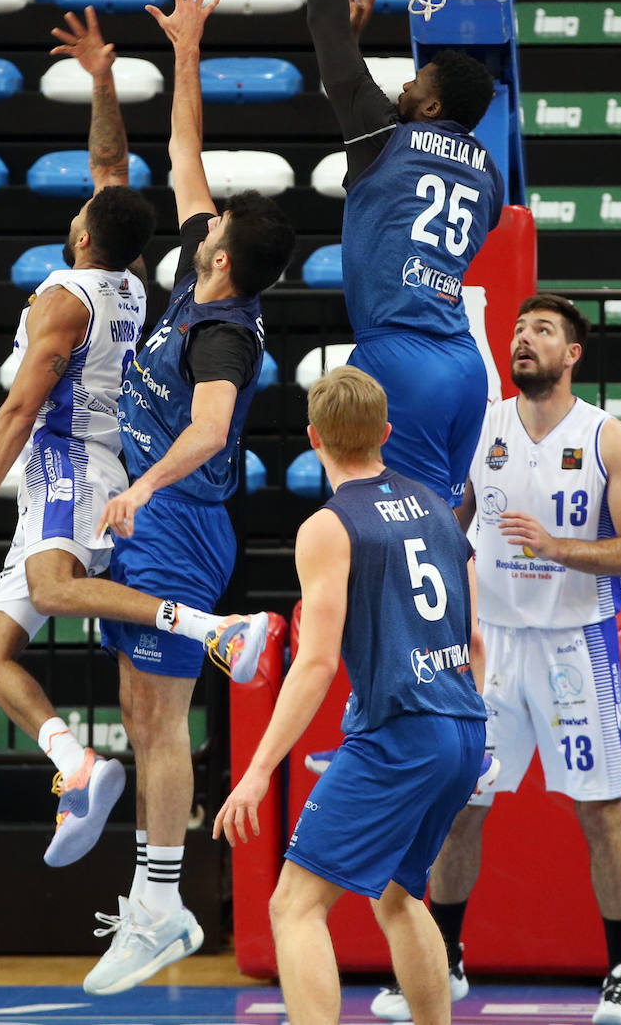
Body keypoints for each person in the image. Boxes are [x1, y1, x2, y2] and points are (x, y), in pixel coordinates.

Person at [0, 5, 264, 872]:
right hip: (58, 473)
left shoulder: (66, 298)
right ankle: (75, 760)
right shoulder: (131, 280)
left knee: (57, 589)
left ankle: (208, 627)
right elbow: (112, 166)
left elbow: (15, 413)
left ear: (79, 234)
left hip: (74, 462)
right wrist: (104, 78)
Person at [82, 0, 296, 996]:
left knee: (159, 718)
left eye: (210, 225)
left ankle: (163, 904)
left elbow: (212, 432)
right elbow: (183, 151)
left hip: (179, 518)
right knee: (139, 708)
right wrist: (186, 50)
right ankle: (154, 894)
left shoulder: (219, 333)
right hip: (157, 515)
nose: (198, 217)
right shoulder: (202, 272)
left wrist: (137, 487)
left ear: (219, 262)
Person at [371, 294, 621, 1025]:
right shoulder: (482, 425)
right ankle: (444, 960)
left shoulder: (608, 438)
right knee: (459, 805)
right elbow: (451, 520)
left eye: (542, 332)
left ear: (573, 355)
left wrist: (557, 547)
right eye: (518, 329)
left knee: (600, 811)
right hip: (487, 644)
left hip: (573, 645)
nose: (523, 340)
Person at [214, 365, 487, 1025]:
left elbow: (314, 663)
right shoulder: (438, 509)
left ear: (313, 438)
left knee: (294, 904)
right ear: (385, 432)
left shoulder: (329, 526)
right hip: (462, 727)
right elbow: (476, 641)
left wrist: (255, 771)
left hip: (400, 732)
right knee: (400, 894)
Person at [307, 0, 504, 509]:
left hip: (399, 358)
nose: (401, 85)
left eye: (412, 81)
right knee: (449, 516)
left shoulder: (384, 134)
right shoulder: (488, 175)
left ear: (431, 105)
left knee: (379, 519)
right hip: (462, 363)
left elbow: (324, 27)